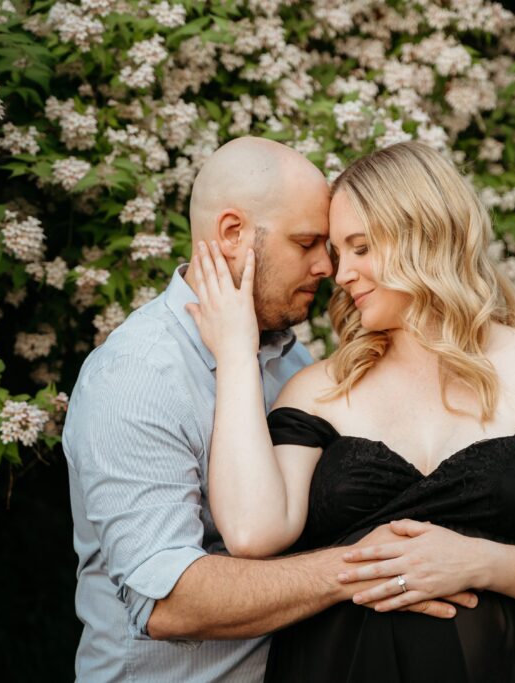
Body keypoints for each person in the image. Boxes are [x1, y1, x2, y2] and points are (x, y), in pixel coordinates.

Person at [187, 140, 515, 682]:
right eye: (335, 249)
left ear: (425, 235)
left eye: (360, 247)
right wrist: (236, 354)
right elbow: (251, 533)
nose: (338, 271)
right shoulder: (319, 388)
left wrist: (479, 561)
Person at [62, 137, 476, 682]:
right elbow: (167, 602)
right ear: (233, 234)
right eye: (306, 243)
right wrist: (366, 568)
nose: (327, 266)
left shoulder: (289, 357)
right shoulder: (137, 378)